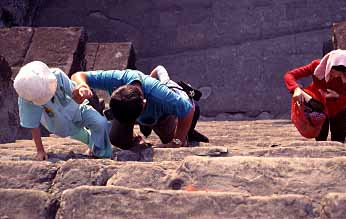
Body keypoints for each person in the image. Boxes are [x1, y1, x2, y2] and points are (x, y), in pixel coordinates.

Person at [70, 66, 208, 149]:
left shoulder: (161, 95)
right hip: (126, 111)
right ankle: (137, 140)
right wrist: (82, 86)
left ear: (144, 103)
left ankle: (188, 135)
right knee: (118, 139)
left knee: (174, 145)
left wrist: (177, 141)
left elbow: (188, 110)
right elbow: (79, 75)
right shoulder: (116, 79)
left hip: (162, 116)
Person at [13, 61, 112, 160]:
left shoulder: (57, 75)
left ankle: (100, 152)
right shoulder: (27, 97)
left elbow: (75, 95)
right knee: (81, 135)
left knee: (101, 123)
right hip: (58, 123)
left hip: (77, 109)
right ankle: (93, 145)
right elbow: (32, 124)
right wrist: (40, 150)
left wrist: (81, 92)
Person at [284, 49, 346, 143]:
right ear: (328, 66)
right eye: (332, 72)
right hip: (319, 109)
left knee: (338, 142)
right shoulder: (317, 66)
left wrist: (337, 96)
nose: (336, 76)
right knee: (320, 141)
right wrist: (296, 89)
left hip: (339, 110)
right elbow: (289, 75)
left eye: (340, 74)